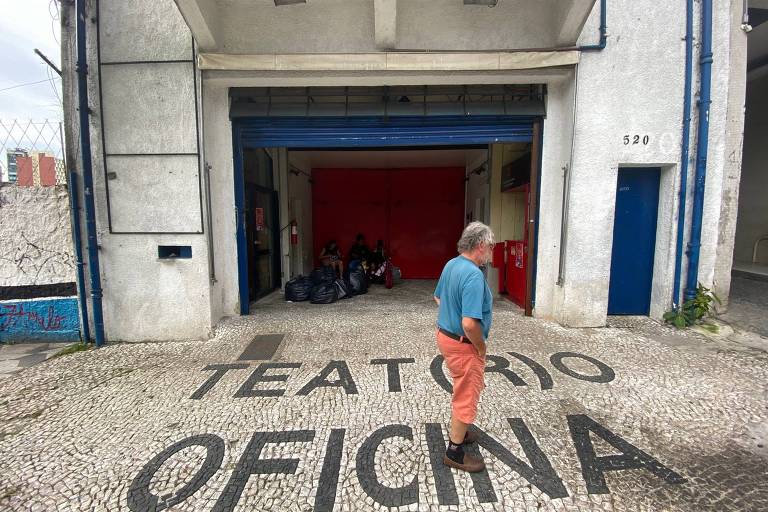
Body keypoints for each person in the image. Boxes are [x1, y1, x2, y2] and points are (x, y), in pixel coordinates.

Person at [433, 221, 494, 473]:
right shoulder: (473, 275)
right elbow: (469, 323)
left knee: (461, 384)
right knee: (467, 393)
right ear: (480, 245)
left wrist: (451, 313)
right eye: (490, 246)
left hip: (445, 336)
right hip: (463, 344)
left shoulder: (452, 264)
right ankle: (455, 452)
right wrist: (480, 346)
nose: (491, 251)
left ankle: (461, 430)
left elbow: (438, 297)